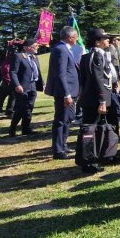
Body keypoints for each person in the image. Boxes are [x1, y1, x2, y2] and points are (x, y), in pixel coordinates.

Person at [78, 29, 113, 174]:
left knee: (90, 129)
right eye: (105, 38)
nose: (108, 40)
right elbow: (98, 79)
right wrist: (102, 100)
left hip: (89, 98)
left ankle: (90, 158)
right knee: (91, 131)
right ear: (97, 42)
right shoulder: (97, 55)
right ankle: (89, 161)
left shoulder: (86, 56)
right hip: (95, 99)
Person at [45, 27, 80, 159]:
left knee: (68, 119)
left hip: (71, 91)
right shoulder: (61, 49)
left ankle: (63, 145)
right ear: (70, 38)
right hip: (65, 93)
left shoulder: (65, 48)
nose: (77, 39)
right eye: (76, 37)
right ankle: (58, 151)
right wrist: (67, 94)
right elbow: (61, 74)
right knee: (61, 121)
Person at [8, 39, 44, 137]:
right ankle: (12, 128)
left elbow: (37, 72)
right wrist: (17, 85)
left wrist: (42, 84)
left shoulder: (35, 57)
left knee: (29, 107)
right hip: (22, 86)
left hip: (33, 85)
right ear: (27, 48)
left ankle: (26, 128)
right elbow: (13, 72)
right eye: (35, 46)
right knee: (21, 108)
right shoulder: (18, 56)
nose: (37, 48)